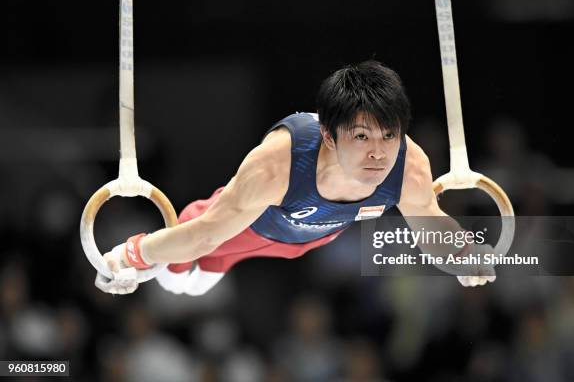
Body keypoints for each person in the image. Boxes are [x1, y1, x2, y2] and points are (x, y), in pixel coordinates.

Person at [95, 60, 495, 295]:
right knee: (180, 280)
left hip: (307, 241)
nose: (378, 151)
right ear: (327, 134)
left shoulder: (408, 167)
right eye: (361, 136)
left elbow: (430, 228)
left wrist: (462, 253)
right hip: (240, 226)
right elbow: (205, 234)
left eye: (389, 135)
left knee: (191, 281)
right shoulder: (278, 163)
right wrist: (133, 254)